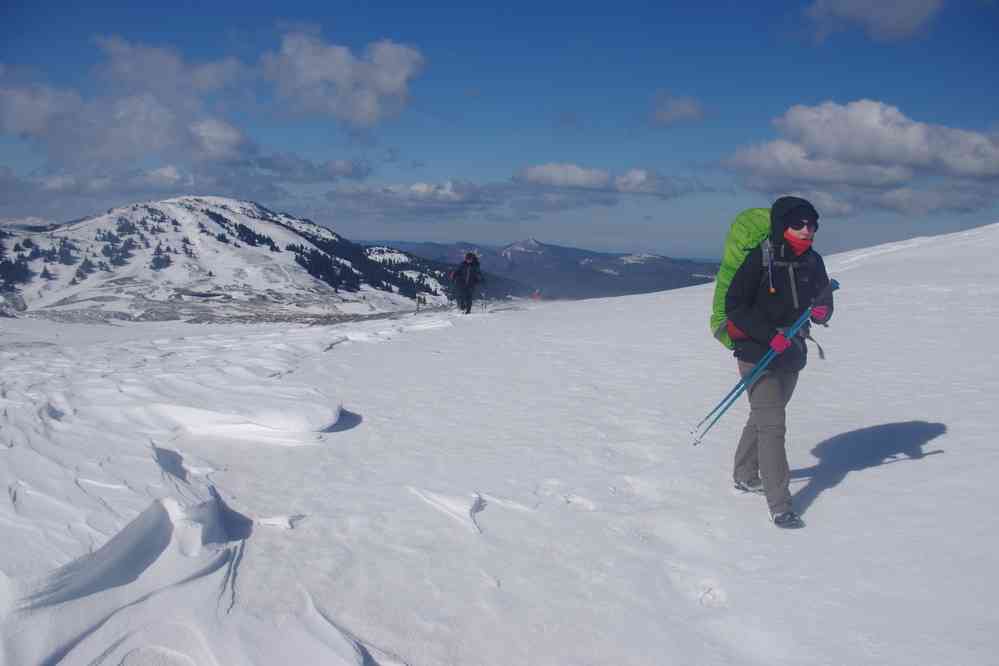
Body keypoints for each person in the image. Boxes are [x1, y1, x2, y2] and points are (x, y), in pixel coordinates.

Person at [724, 195, 834, 529]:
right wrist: (768, 335)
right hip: (757, 352)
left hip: (792, 351)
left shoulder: (812, 261)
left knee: (764, 416)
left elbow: (823, 298)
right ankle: (780, 505)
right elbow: (735, 306)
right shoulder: (760, 259)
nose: (807, 230)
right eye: (799, 224)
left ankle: (744, 474)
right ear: (782, 226)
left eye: (812, 225)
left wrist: (823, 312)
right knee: (773, 425)